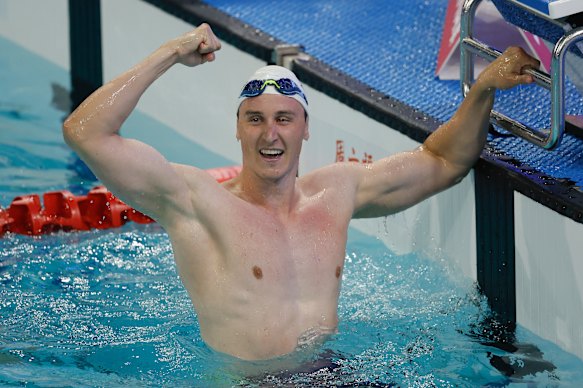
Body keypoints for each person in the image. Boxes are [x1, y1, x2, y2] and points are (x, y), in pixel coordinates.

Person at [63, 23, 540, 361]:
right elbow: (86, 132)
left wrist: (483, 89)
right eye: (256, 119)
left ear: (305, 129)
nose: (270, 135)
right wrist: (170, 51)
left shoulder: (335, 193)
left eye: (284, 119)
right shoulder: (196, 203)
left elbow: (444, 162)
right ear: (238, 130)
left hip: (335, 372)